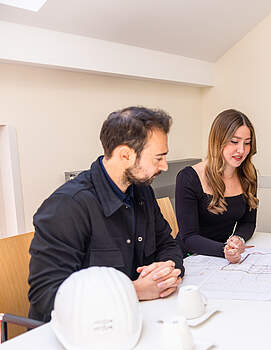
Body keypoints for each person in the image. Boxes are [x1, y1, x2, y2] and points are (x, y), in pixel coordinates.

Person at [28, 107, 184, 322]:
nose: (164, 166)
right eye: (158, 158)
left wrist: (165, 271)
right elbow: (47, 298)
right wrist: (134, 290)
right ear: (125, 155)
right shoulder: (67, 206)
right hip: (78, 335)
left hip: (131, 320)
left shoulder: (142, 191)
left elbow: (169, 245)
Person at [175, 109, 258, 263]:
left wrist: (238, 238)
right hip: (190, 257)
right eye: (234, 141)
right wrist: (223, 250)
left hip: (222, 256)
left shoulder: (248, 175)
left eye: (247, 143)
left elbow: (248, 222)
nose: (241, 150)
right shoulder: (188, 177)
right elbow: (189, 237)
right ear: (218, 141)